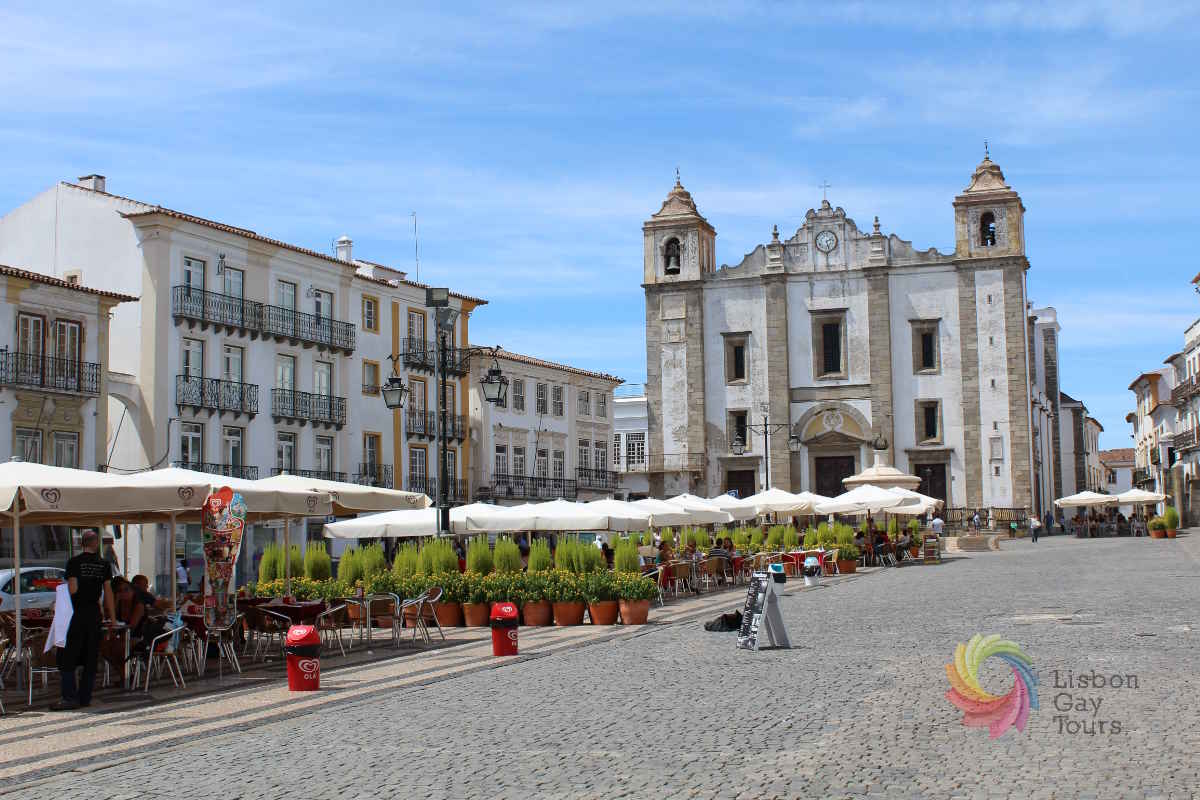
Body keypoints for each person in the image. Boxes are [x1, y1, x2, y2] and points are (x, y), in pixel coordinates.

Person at [52, 530, 116, 711]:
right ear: (96, 543)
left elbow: (72, 589)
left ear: (82, 543)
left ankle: (69, 697)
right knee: (90, 656)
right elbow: (108, 592)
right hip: (94, 614)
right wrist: (112, 618)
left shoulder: (74, 562)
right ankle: (85, 697)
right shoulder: (104, 564)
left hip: (76, 613)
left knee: (68, 656)